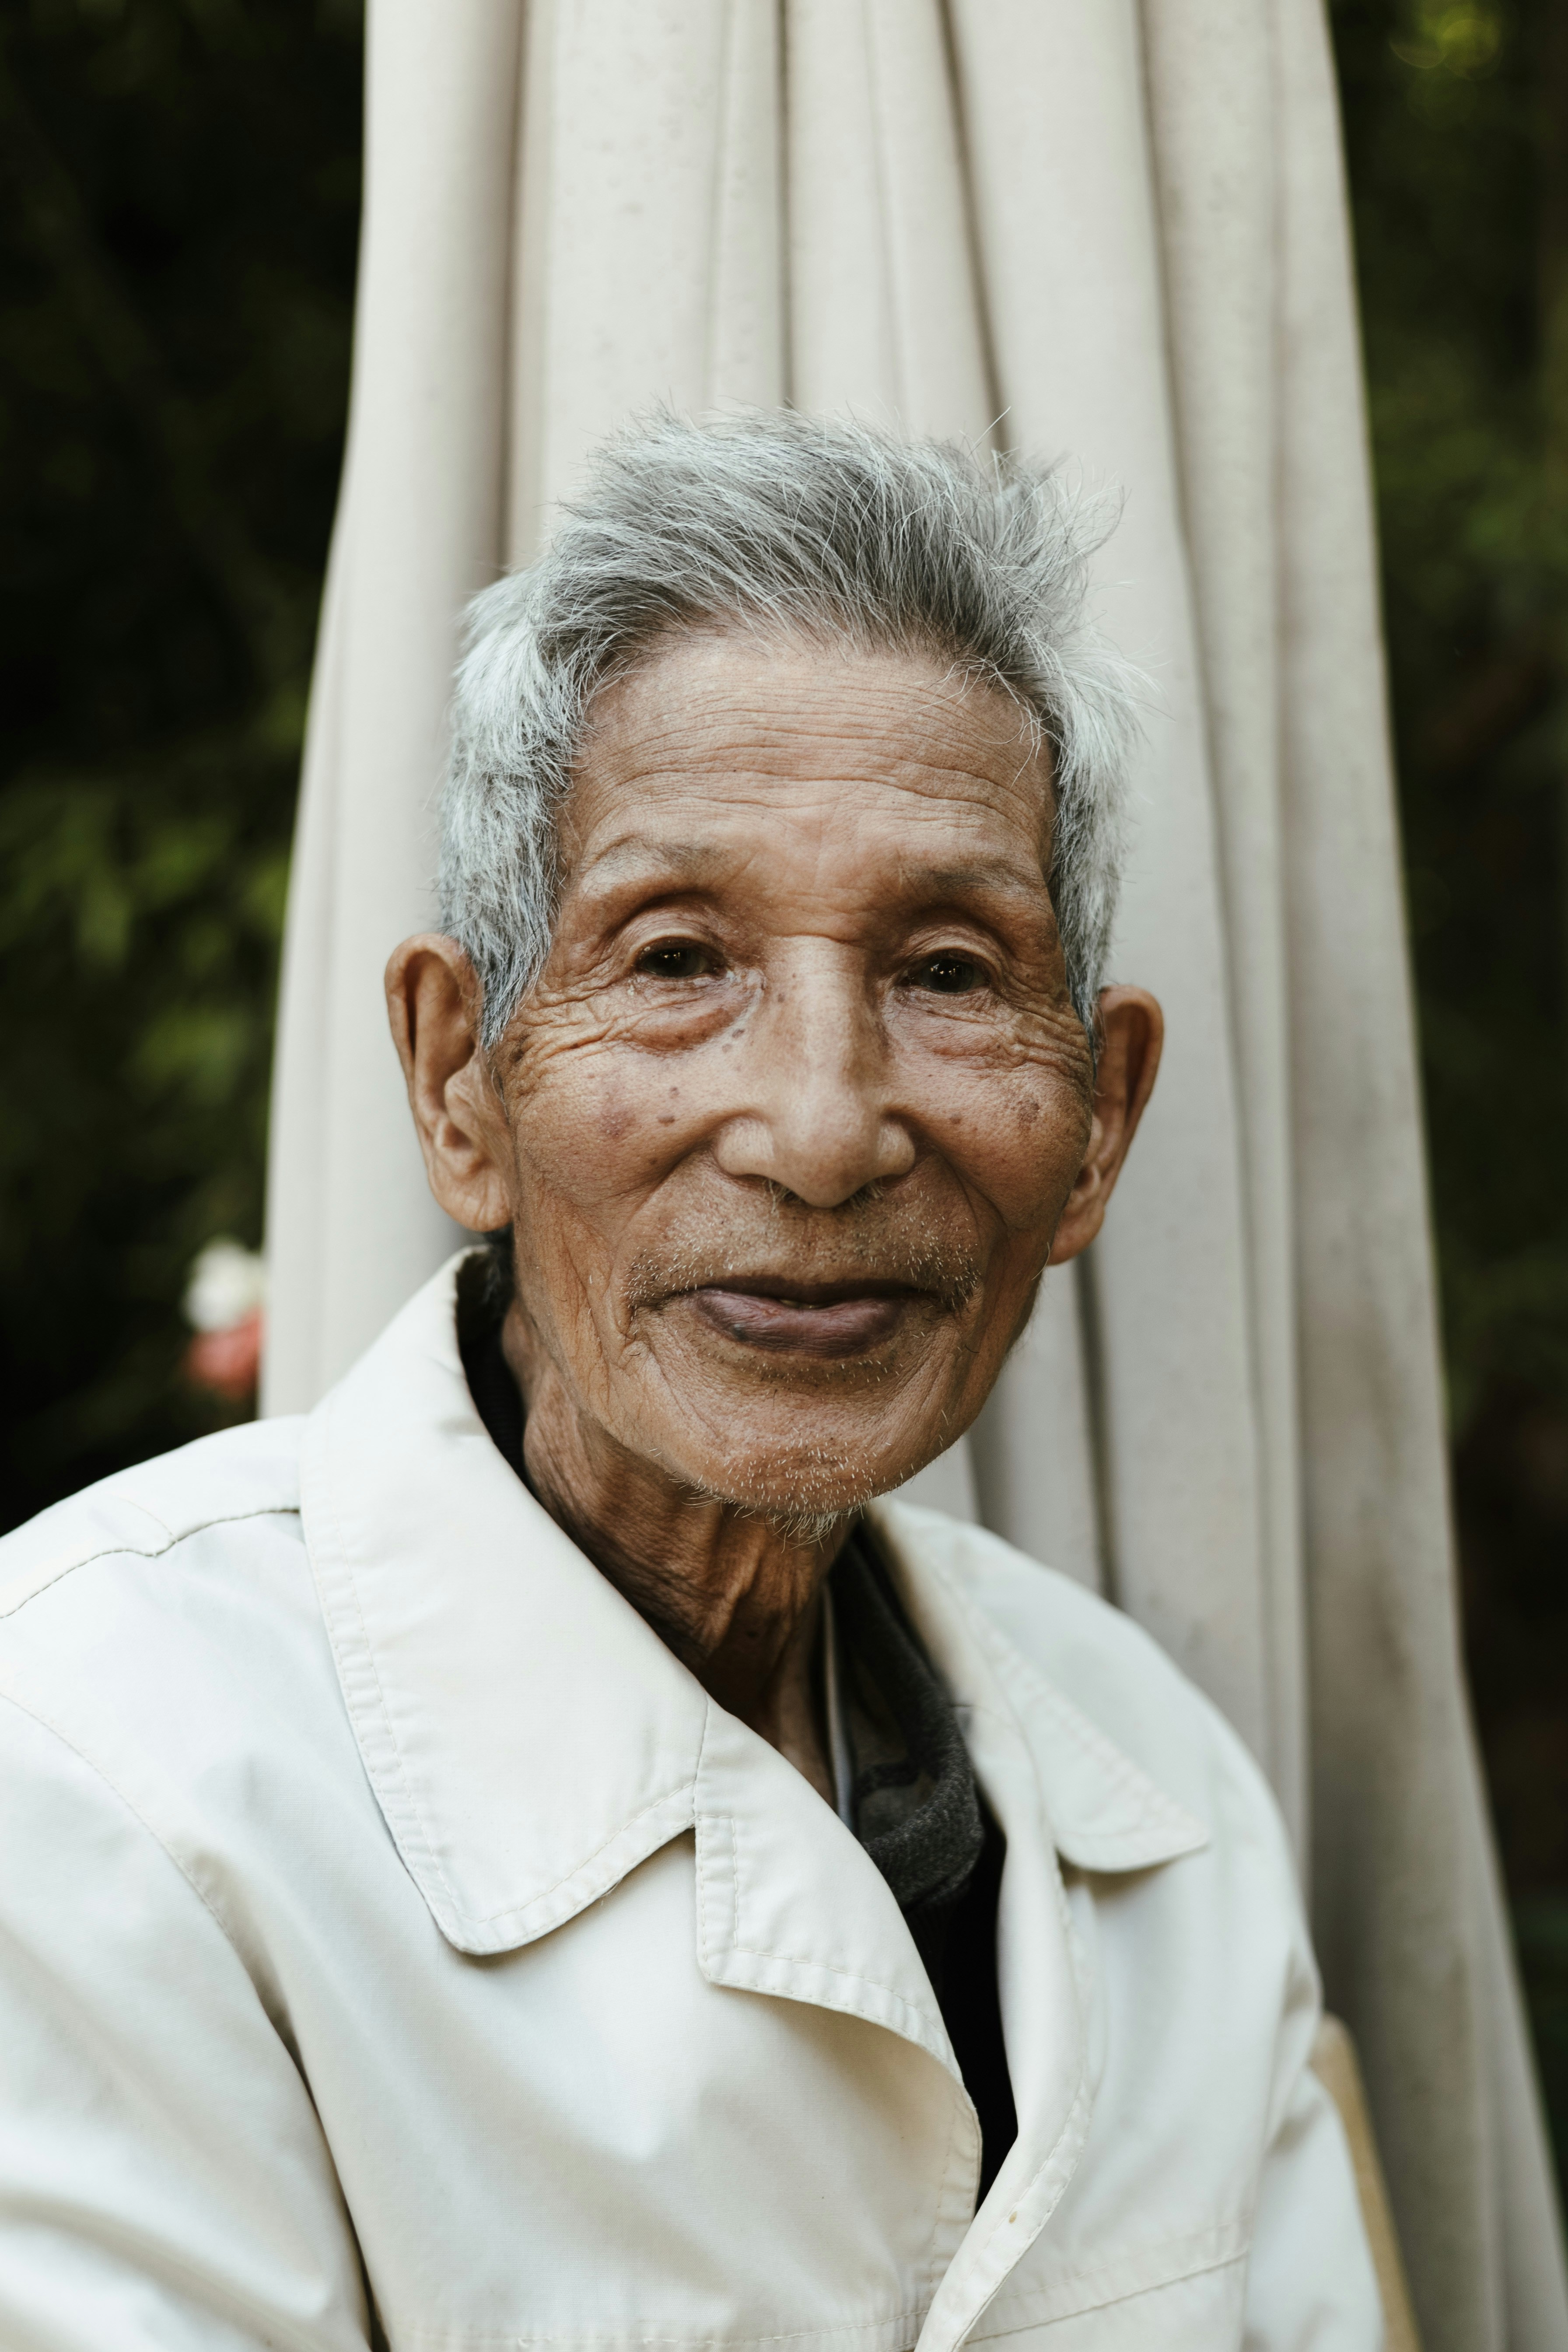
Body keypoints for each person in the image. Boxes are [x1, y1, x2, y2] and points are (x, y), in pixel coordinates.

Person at [0, 412, 1380, 2350]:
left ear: (1097, 1127)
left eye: (952, 972)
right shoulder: (96, 1761)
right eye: (673, 957)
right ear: (456, 1081)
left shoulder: (1155, 1791)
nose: (820, 1129)